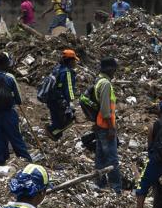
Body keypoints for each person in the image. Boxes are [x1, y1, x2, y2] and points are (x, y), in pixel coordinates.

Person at [0, 52, 31, 166]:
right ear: (6, 63)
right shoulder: (10, 78)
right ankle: (26, 162)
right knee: (16, 138)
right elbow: (19, 99)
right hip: (9, 113)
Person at [86, 56, 122, 191]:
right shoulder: (106, 84)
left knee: (100, 157)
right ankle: (116, 188)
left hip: (100, 126)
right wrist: (112, 128)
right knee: (112, 159)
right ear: (109, 69)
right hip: (106, 126)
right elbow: (106, 109)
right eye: (114, 69)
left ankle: (100, 184)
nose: (115, 72)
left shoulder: (98, 81)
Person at [40, 48, 80, 138]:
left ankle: (53, 134)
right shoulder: (68, 72)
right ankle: (51, 131)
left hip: (51, 99)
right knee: (69, 120)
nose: (75, 63)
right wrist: (70, 102)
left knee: (56, 120)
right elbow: (69, 89)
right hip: (60, 101)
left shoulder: (57, 68)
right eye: (74, 60)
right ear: (70, 61)